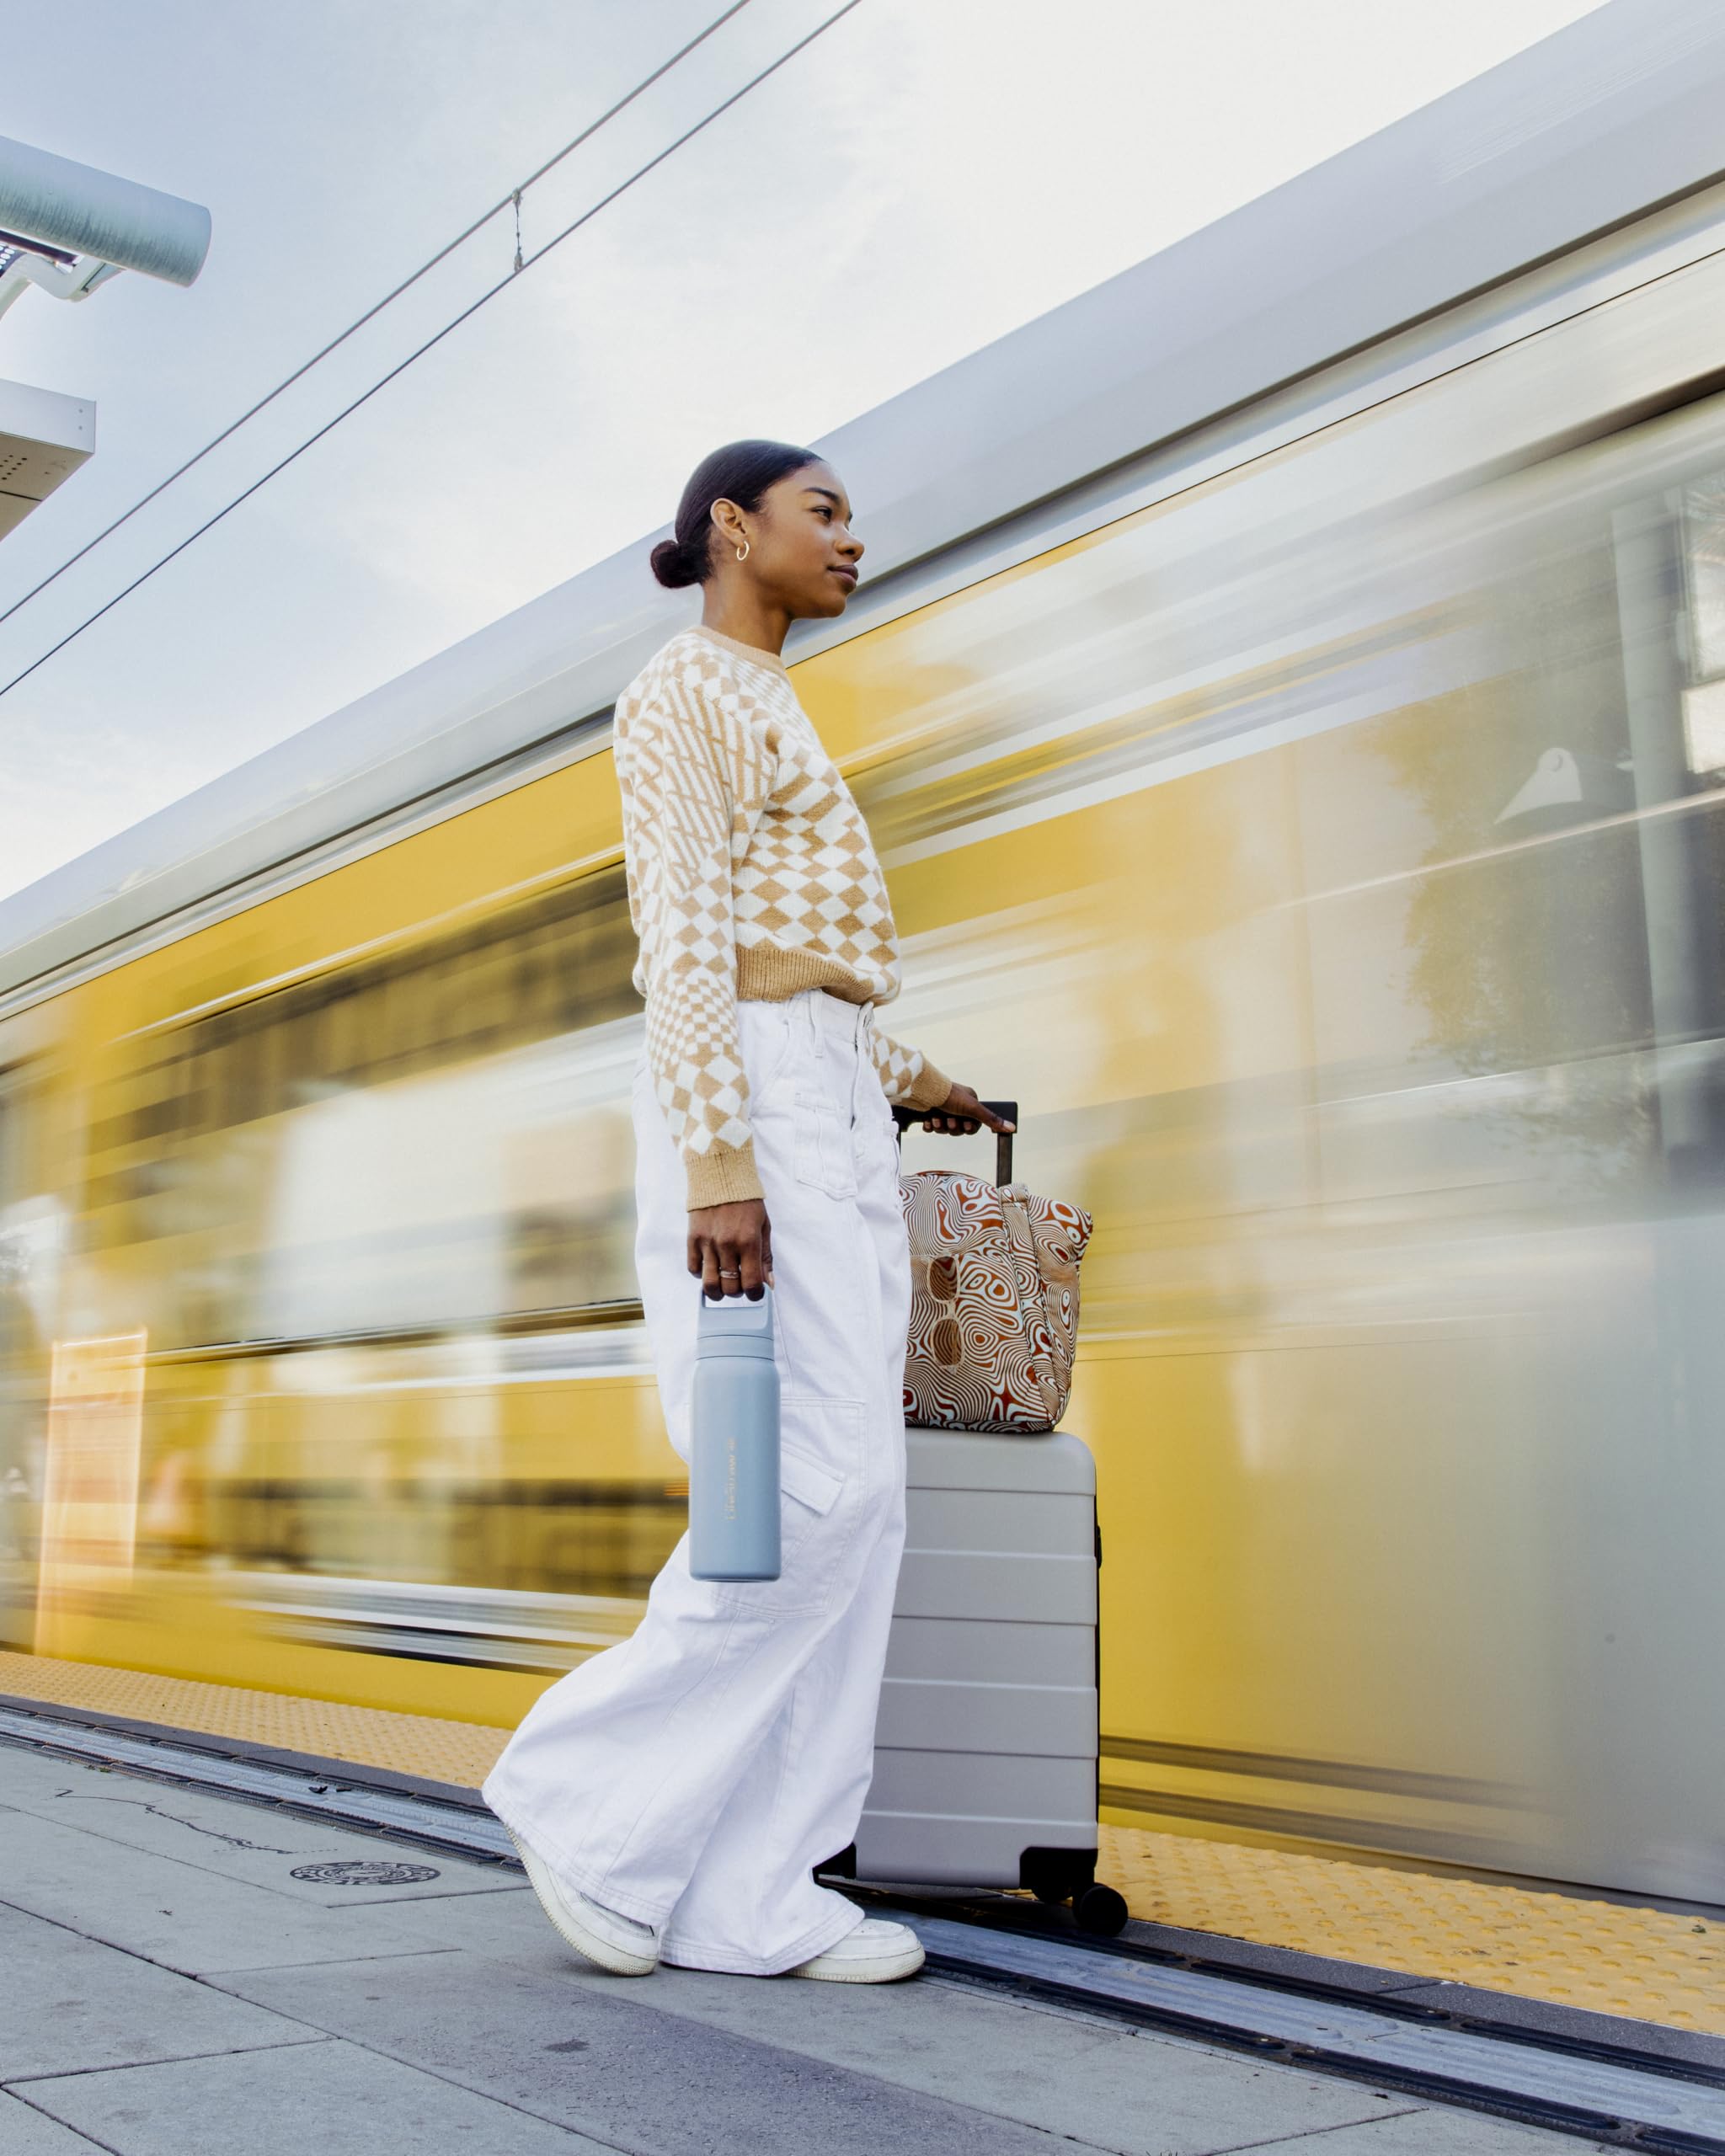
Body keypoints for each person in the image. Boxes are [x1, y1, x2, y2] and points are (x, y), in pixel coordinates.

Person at [483, 440, 1012, 1984]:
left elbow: (800, 959)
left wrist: (916, 1076)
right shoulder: (684, 692)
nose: (855, 539)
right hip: (763, 1115)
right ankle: (587, 1803)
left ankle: (752, 1892)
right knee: (800, 1496)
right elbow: (689, 944)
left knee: (868, 1509)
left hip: (829, 1087)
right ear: (733, 527)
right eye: (824, 513)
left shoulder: (775, 701)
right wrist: (721, 1162)